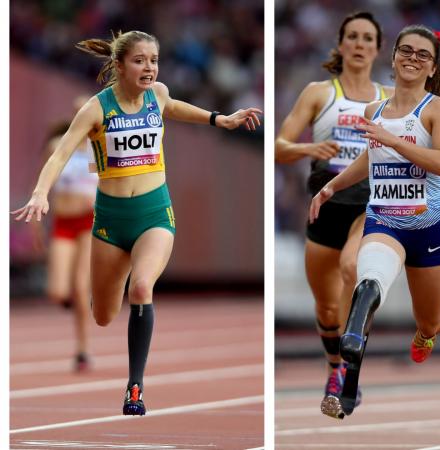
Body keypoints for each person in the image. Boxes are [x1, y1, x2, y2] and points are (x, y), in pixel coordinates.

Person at [12, 30, 262, 416]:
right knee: (103, 315)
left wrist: (219, 119)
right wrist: (41, 193)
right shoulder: (97, 108)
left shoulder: (157, 94)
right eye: (140, 60)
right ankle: (103, 289)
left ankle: (135, 387)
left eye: (154, 60)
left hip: (154, 212)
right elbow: (60, 153)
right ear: (119, 66)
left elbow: (174, 107)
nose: (149, 68)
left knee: (142, 286)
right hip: (111, 220)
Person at [309, 24, 440, 418]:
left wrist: (397, 141)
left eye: (422, 55)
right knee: (368, 281)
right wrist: (332, 187)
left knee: (430, 318)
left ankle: (428, 331)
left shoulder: (437, 110)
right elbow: (371, 157)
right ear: (394, 57)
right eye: (406, 51)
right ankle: (350, 361)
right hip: (384, 220)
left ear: (432, 67)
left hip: (430, 228)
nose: (413, 59)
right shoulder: (373, 112)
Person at [275, 11, 392, 419]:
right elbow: (279, 146)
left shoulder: (389, 98)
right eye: (353, 37)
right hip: (323, 206)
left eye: (367, 38)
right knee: (326, 309)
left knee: (351, 269)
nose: (360, 45)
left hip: (370, 204)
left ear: (378, 49)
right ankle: (335, 368)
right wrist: (310, 150)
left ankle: (350, 365)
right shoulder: (319, 93)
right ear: (341, 45)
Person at [31, 98, 98, 372]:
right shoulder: (58, 145)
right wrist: (35, 225)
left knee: (81, 290)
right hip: (63, 222)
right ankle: (77, 300)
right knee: (58, 292)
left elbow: (108, 183)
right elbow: (41, 183)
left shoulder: (99, 148)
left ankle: (82, 351)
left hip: (88, 222)